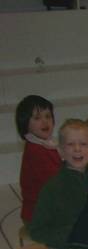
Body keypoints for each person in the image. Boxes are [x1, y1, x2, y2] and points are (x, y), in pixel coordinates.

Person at [29, 119, 88, 249]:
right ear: (61, 151)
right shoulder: (53, 188)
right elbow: (36, 230)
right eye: (71, 144)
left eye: (83, 144)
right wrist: (71, 236)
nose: (77, 149)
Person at [16, 95, 61, 224]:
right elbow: (55, 182)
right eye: (37, 118)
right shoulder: (35, 151)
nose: (45, 122)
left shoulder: (45, 144)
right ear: (25, 123)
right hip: (39, 216)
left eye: (48, 116)